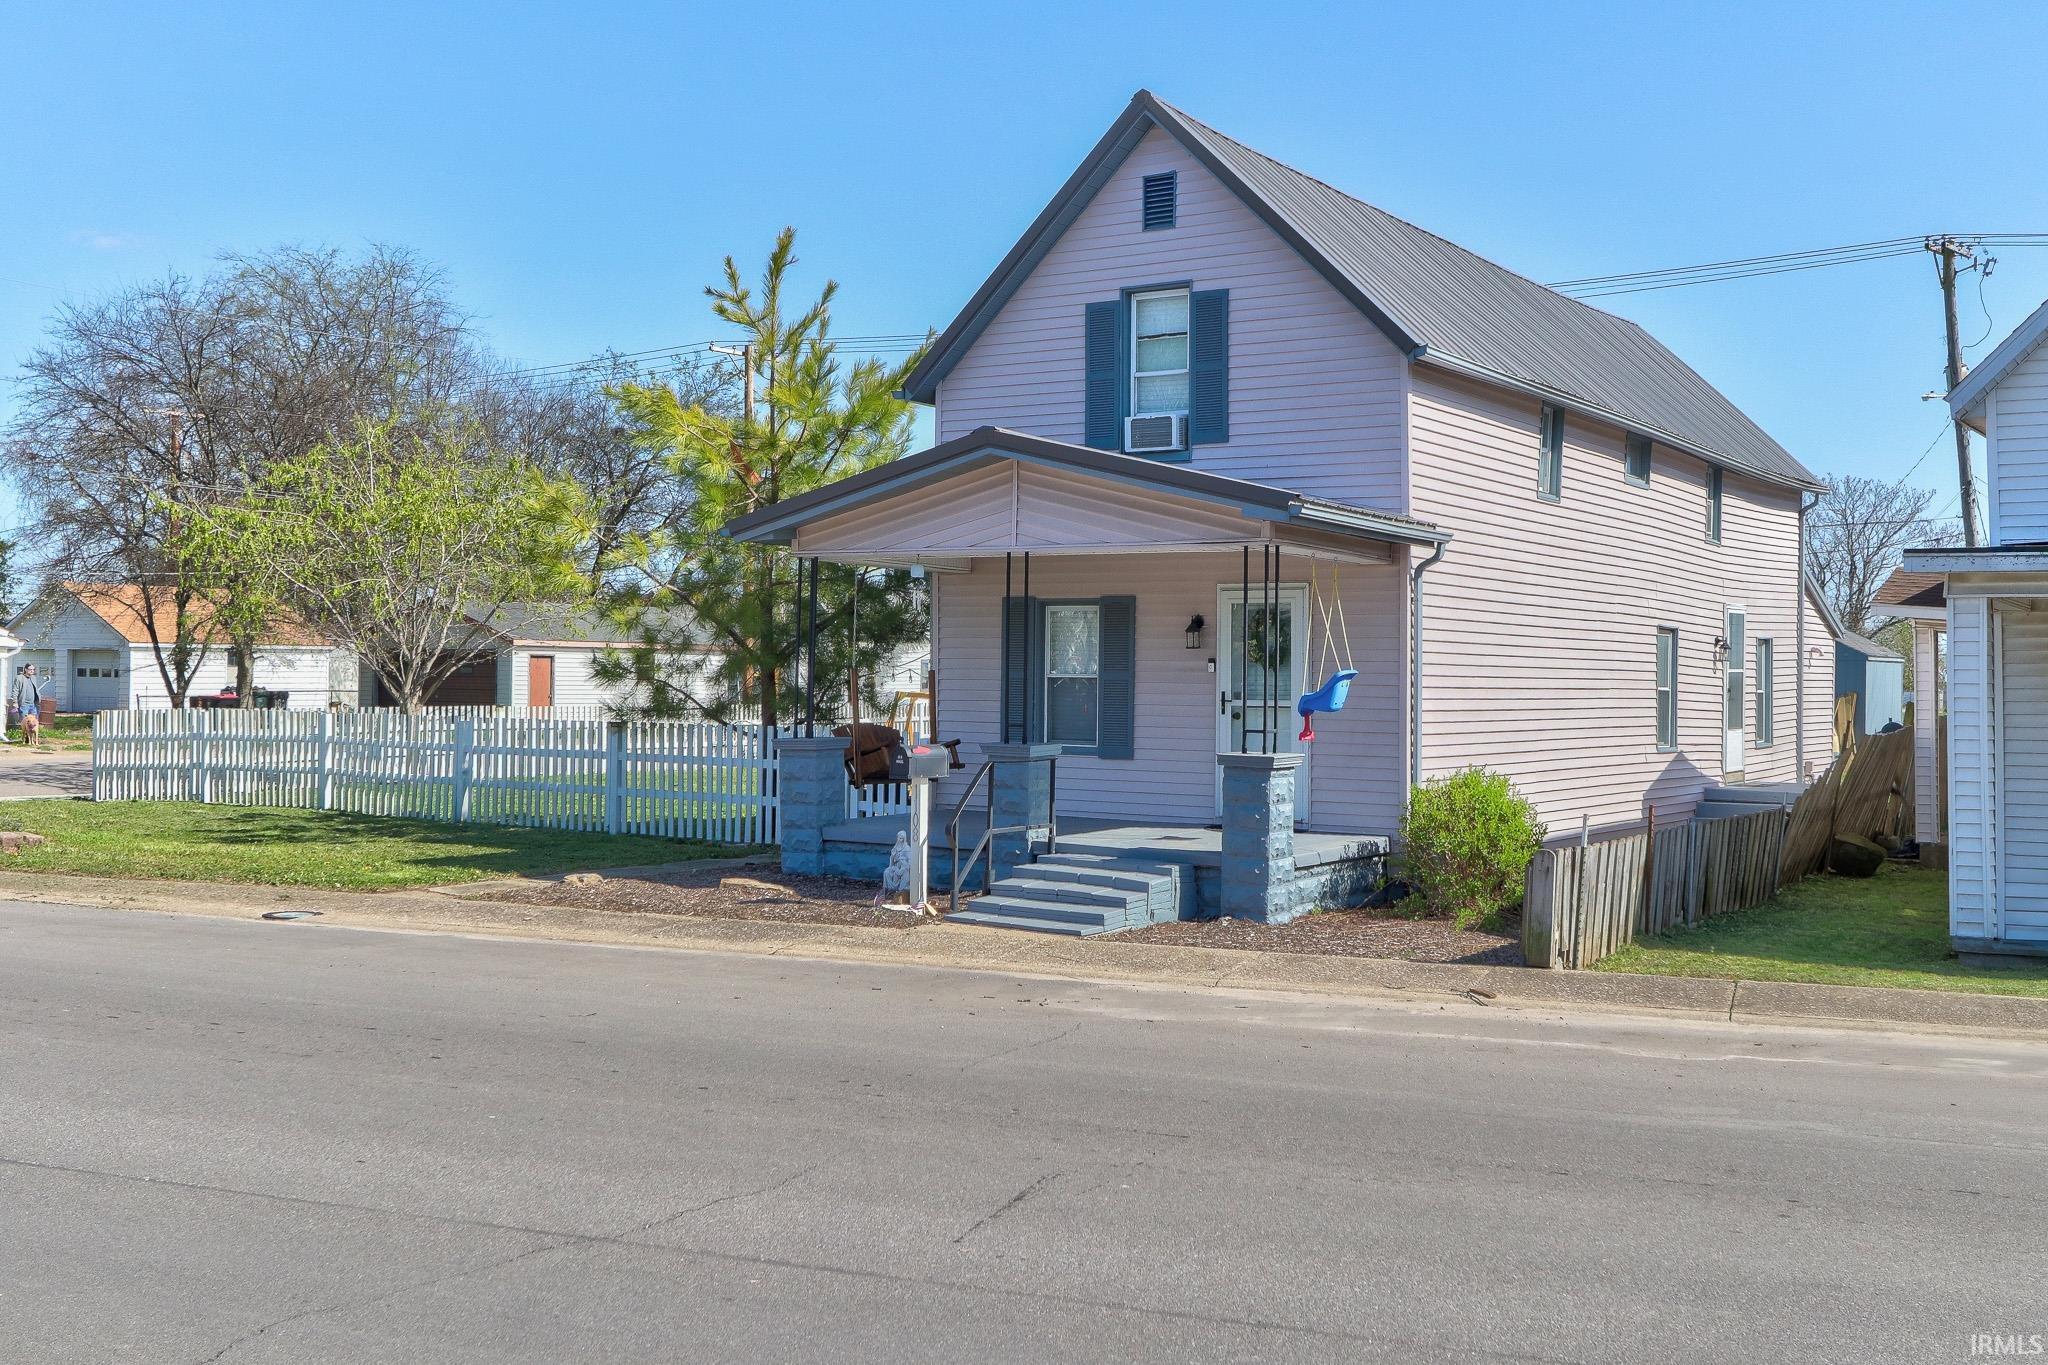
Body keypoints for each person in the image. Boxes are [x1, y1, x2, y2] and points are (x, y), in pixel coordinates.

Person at [11, 664, 46, 751]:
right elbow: (15, 690)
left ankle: (35, 740)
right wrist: (15, 702)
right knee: (25, 723)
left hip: (33, 704)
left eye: (33, 669)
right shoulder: (19, 678)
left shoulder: (33, 678)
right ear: (25, 669)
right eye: (30, 669)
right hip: (23, 704)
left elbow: (35, 689)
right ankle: (27, 739)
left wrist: (39, 698)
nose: (32, 671)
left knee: (33, 723)